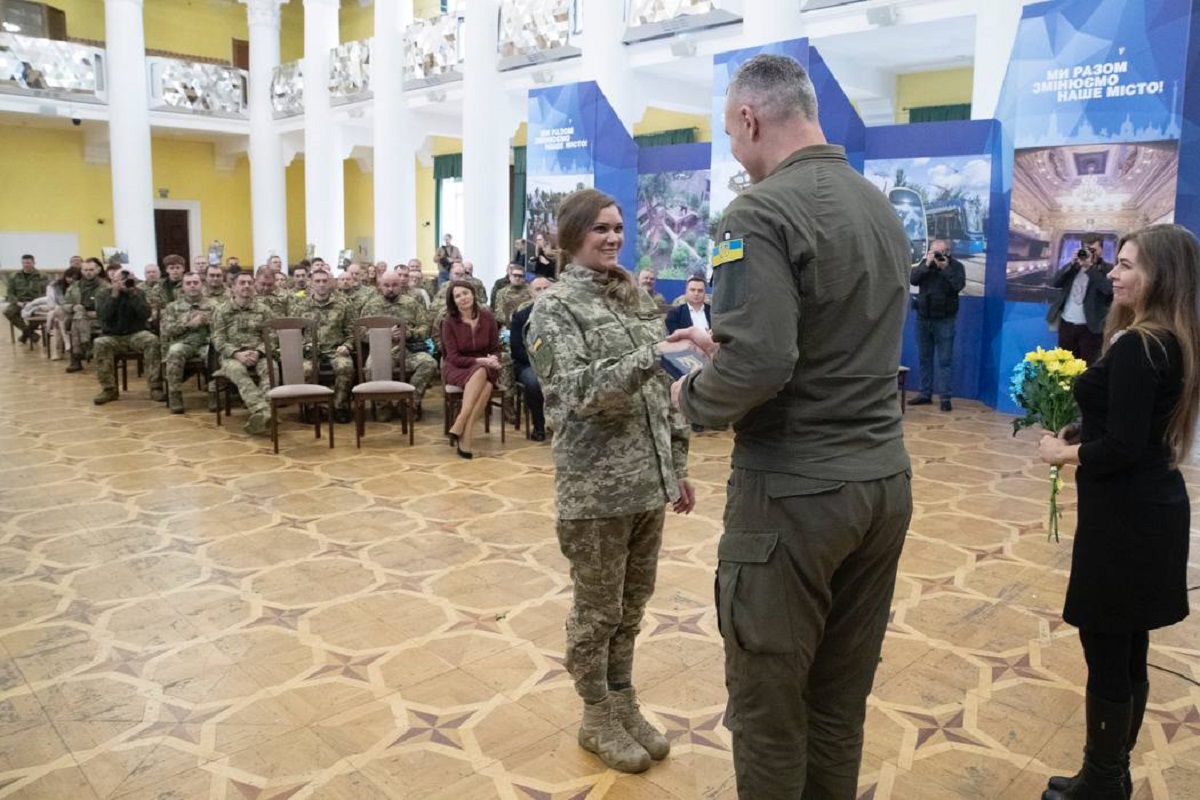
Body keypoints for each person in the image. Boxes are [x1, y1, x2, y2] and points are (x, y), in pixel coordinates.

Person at [668, 54, 912, 797]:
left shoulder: (758, 212)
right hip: (882, 483)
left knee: (770, 712)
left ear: (749, 119)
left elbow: (763, 365)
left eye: (728, 132)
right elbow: (823, 341)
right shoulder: (877, 205)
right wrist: (739, 355)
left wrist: (689, 397)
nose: (733, 148)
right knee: (838, 702)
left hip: (795, 497)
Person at [528, 188, 693, 774]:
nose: (614, 237)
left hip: (648, 482)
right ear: (571, 236)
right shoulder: (553, 310)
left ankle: (623, 700)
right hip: (595, 491)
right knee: (597, 612)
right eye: (600, 228)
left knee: (631, 607)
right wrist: (652, 354)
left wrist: (677, 464)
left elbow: (665, 389)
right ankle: (595, 713)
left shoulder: (633, 297)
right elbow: (578, 393)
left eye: (618, 227)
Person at [1036, 223, 1198, 800]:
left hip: (1124, 519)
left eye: (1127, 265)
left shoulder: (1137, 345)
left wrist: (1063, 453)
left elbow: (1123, 448)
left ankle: (1102, 782)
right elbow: (1138, 424)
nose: (1115, 274)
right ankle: (1111, 773)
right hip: (1152, 510)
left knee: (1107, 645)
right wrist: (1084, 428)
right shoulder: (1173, 340)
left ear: (1161, 276)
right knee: (1128, 645)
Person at [440, 280, 500, 459]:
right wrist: (480, 360)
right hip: (458, 367)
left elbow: (495, 348)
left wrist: (494, 358)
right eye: (457, 296)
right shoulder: (449, 322)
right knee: (485, 380)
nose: (462, 298)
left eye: (465, 293)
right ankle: (464, 432)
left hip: (486, 366)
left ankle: (461, 425)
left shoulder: (488, 317)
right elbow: (452, 357)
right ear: (453, 301)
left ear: (473, 294)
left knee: (483, 374)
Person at [91, 269, 164, 405]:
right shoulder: (103, 294)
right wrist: (115, 294)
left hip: (136, 334)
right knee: (100, 343)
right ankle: (109, 389)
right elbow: (104, 316)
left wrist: (133, 294)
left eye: (128, 279)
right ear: (113, 281)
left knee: (152, 341)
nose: (125, 282)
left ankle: (155, 387)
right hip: (112, 336)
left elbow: (145, 314)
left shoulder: (138, 293)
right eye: (120, 279)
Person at [909, 239, 966, 411]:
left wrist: (945, 268)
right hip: (923, 318)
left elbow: (958, 285)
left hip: (945, 320)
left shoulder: (956, 266)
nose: (936, 256)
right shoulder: (925, 265)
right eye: (933, 252)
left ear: (947, 252)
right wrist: (926, 264)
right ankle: (925, 393)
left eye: (939, 252)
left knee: (944, 361)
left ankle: (945, 398)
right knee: (924, 358)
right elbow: (913, 280)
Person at [1047, 232, 1113, 365]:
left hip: (1091, 327)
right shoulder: (1074, 266)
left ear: (1101, 250)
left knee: (1089, 366)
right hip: (1066, 324)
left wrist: (1090, 268)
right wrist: (1072, 264)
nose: (1090, 253)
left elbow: (1108, 290)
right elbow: (1055, 283)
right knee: (1065, 365)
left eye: (1093, 250)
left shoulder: (1108, 269)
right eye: (1087, 249)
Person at [160, 271, 217, 414]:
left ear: (202, 285)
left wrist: (208, 322)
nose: (192, 286)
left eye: (195, 283)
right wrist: (188, 324)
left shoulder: (214, 305)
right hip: (184, 343)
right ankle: (175, 395)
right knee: (174, 352)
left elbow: (222, 327)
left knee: (213, 353)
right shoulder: (172, 307)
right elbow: (168, 330)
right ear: (183, 287)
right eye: (188, 283)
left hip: (206, 342)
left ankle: (213, 394)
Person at [510, 276, 551, 441]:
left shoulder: (563, 314)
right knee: (534, 382)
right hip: (528, 364)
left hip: (559, 364)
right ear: (531, 293)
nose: (543, 292)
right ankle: (539, 426)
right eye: (538, 289)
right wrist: (541, 364)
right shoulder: (521, 317)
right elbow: (517, 349)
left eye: (546, 288)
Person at [4, 254, 48, 344]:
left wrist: (35, 302)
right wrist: (17, 302)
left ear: (34, 263)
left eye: (28, 263)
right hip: (19, 302)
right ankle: (31, 334)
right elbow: (10, 293)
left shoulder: (42, 276)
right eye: (23, 263)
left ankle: (25, 335)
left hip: (35, 302)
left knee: (37, 317)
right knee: (8, 312)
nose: (26, 265)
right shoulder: (14, 276)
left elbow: (45, 293)